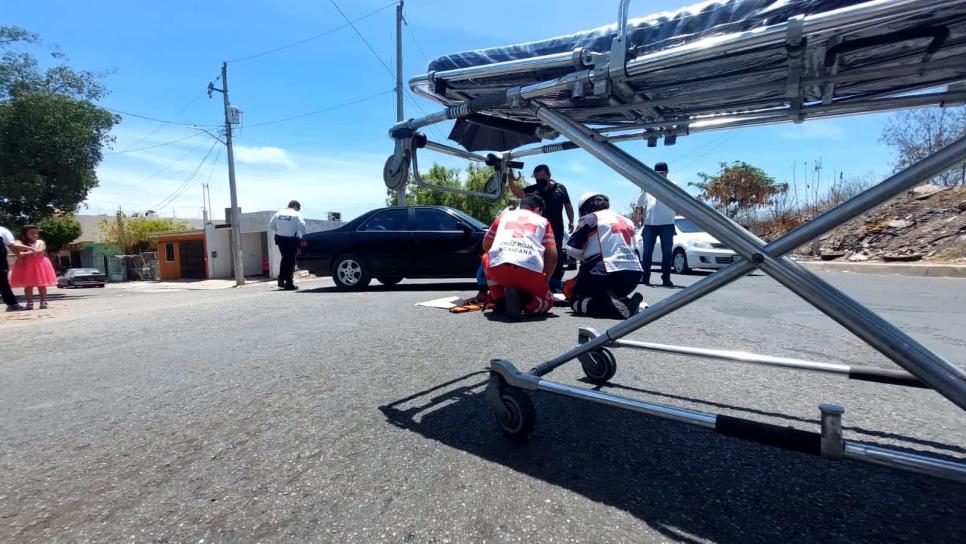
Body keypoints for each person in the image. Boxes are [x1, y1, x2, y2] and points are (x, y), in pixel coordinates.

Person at [564, 192, 645, 319]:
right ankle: (627, 303)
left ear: (584, 209)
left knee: (575, 299)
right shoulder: (627, 221)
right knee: (614, 295)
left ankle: (607, 307)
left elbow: (572, 250)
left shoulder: (590, 218)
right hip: (633, 277)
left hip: (603, 274)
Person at [482, 194, 557, 320]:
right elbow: (552, 256)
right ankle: (526, 301)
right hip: (529, 273)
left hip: (499, 271)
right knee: (548, 301)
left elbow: (486, 245)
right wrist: (545, 279)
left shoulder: (504, 216)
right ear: (538, 210)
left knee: (486, 257)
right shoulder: (543, 222)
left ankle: (500, 299)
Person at [508, 165, 574, 292]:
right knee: (539, 253)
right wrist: (510, 179)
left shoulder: (560, 189)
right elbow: (518, 193)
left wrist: (571, 221)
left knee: (556, 254)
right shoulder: (534, 190)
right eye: (537, 178)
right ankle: (538, 280)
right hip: (538, 230)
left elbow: (568, 205)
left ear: (549, 175)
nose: (539, 180)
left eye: (542, 177)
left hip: (556, 228)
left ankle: (554, 283)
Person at [637, 162, 677, 287]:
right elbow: (639, 203)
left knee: (667, 253)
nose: (660, 176)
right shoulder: (649, 186)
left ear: (667, 173)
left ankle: (666, 278)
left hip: (667, 224)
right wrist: (645, 189)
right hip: (650, 225)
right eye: (657, 174)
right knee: (647, 252)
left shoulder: (673, 185)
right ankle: (645, 277)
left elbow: (676, 200)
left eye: (662, 173)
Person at [9, 225, 58, 310]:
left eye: (36, 233)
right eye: (32, 233)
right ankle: (30, 303)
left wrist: (24, 254)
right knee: (28, 285)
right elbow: (16, 245)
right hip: (26, 265)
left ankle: (43, 302)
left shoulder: (40, 242)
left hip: (40, 264)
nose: (35, 235)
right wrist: (31, 249)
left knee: (42, 284)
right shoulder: (20, 242)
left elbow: (40, 251)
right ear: (25, 234)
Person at [269, 200, 307, 290]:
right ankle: (288, 282)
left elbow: (271, 225)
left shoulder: (278, 213)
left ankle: (281, 279)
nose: (298, 210)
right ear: (295, 206)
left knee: (285, 258)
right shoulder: (296, 214)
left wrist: (280, 230)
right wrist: (305, 236)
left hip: (280, 239)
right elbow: (302, 225)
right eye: (298, 208)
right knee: (291, 261)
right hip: (291, 240)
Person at [1, 225, 35, 311]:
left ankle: (12, 304)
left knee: (3, 282)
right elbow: (12, 246)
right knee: (3, 282)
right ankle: (12, 304)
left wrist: (19, 256)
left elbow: (11, 245)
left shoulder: (2, 230)